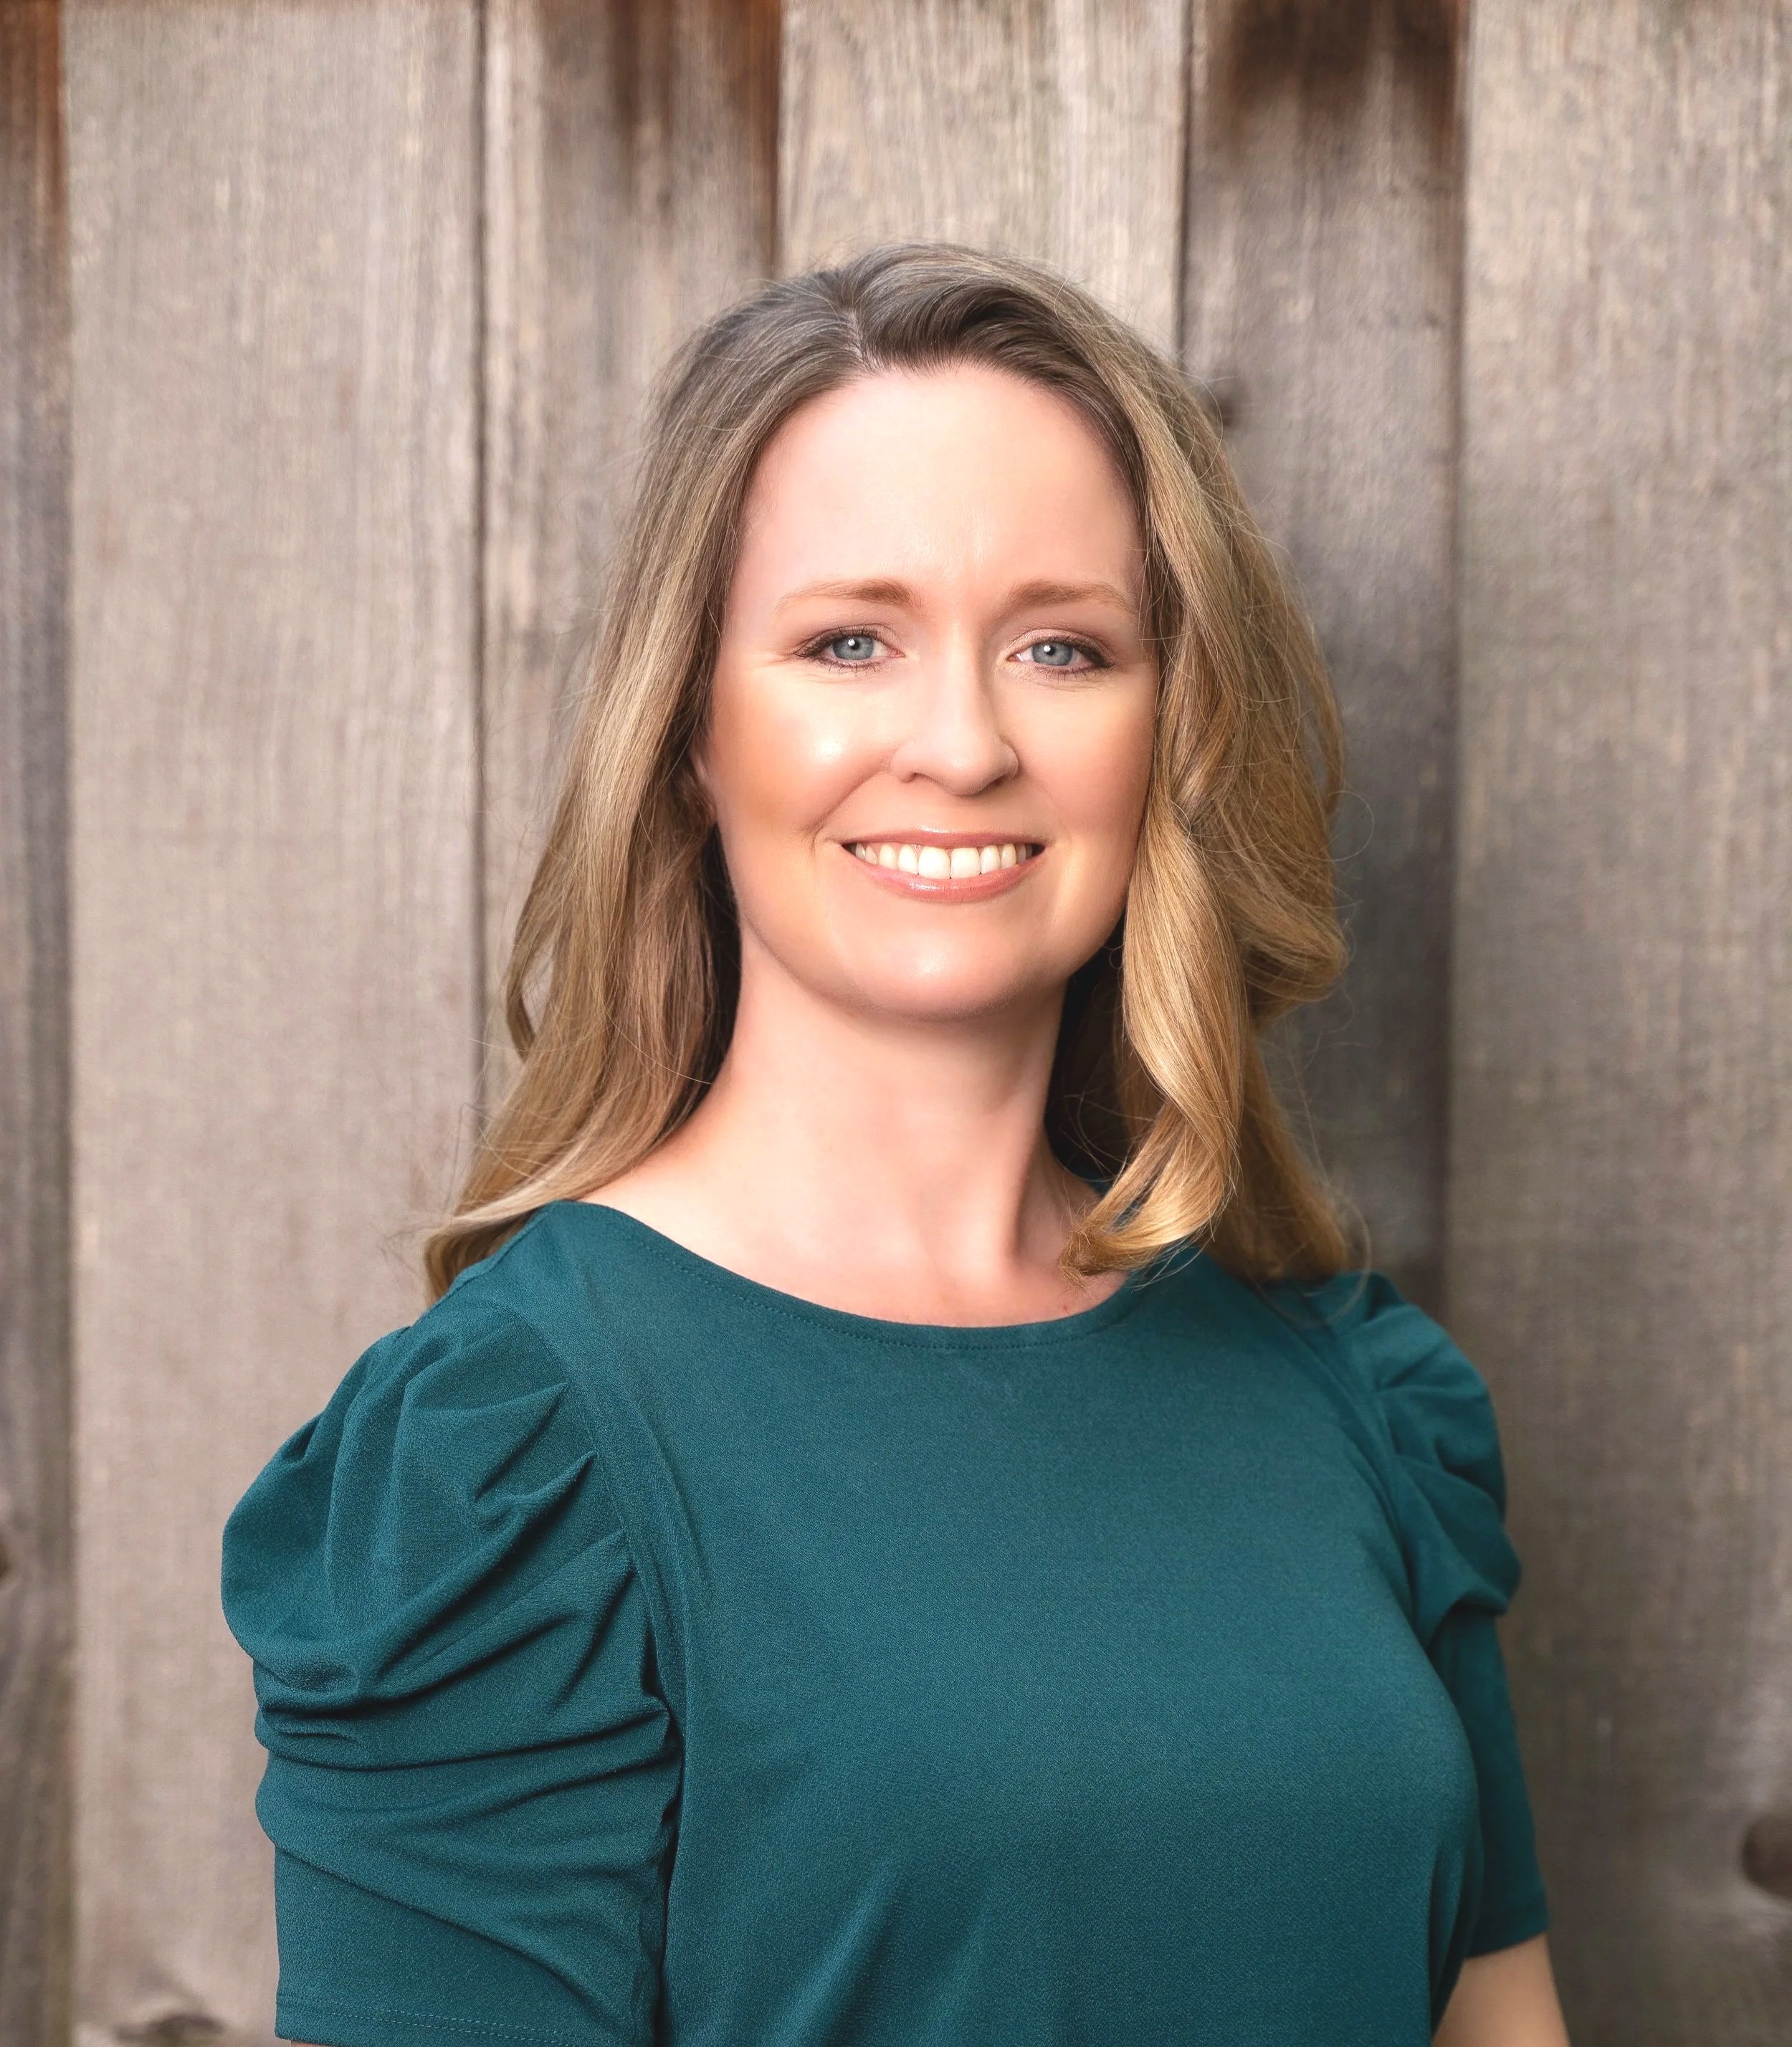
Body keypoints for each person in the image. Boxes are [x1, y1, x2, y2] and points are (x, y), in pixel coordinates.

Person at [221, 241, 1570, 2047]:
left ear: (1171, 726)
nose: (959, 741)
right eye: (848, 641)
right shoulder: (505, 1468)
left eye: (1060, 647)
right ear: (692, 731)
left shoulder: (1357, 1400)